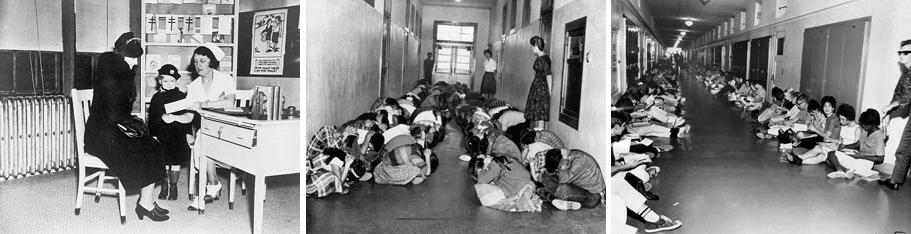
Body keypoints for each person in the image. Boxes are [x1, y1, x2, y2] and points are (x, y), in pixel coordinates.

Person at [83, 32, 169, 221]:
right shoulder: (114, 74)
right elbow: (113, 112)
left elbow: (118, 111)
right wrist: (133, 123)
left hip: (108, 130)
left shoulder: (115, 71)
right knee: (148, 147)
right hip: (101, 135)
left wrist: (132, 122)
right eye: (132, 58)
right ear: (121, 56)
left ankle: (146, 201)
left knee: (152, 145)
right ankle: (145, 203)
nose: (135, 62)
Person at [185, 43, 237, 209]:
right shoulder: (193, 87)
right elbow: (190, 113)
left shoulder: (225, 79)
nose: (198, 65)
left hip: (228, 127)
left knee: (204, 140)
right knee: (203, 138)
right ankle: (212, 184)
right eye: (195, 61)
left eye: (202, 61)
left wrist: (204, 104)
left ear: (212, 62)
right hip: (208, 128)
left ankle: (211, 186)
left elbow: (229, 102)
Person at [148, 64, 194, 201]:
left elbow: (187, 118)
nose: (169, 84)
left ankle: (173, 187)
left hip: (177, 134)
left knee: (175, 161)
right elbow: (152, 118)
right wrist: (153, 134)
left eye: (172, 81)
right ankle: (164, 186)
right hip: (162, 134)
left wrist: (188, 133)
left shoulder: (181, 96)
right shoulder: (156, 97)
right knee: (162, 161)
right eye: (166, 81)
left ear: (176, 81)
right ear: (160, 81)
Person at [879, 39, 911, 190]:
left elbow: (908, 96)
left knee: (904, 148)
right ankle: (894, 181)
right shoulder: (906, 73)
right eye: (900, 52)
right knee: (904, 149)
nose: (901, 55)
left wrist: (891, 106)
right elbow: (898, 93)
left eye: (906, 52)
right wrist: (888, 114)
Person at [825, 109, 885, 180]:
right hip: (857, 158)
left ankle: (845, 170)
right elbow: (858, 144)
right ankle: (842, 171)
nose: (862, 126)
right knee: (831, 154)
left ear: (871, 124)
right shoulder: (865, 130)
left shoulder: (879, 135)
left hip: (866, 163)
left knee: (832, 161)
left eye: (864, 124)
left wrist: (860, 156)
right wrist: (844, 146)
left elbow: (880, 158)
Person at [537, 149, 605, 210]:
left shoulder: (578, 162)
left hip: (593, 197)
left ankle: (550, 197)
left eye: (559, 167)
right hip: (579, 187)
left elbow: (563, 180)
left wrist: (562, 166)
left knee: (562, 189)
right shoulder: (567, 156)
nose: (558, 169)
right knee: (546, 176)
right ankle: (555, 197)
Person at [474, 153, 542, 212]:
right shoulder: (505, 157)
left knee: (479, 188)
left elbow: (481, 180)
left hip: (519, 188)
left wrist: (485, 166)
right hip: (528, 183)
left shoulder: (495, 164)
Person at [525, 36, 552, 130]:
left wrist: (550, 92)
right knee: (537, 113)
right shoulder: (539, 57)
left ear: (536, 46)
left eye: (533, 46)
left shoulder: (544, 58)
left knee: (540, 114)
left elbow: (548, 75)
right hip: (537, 86)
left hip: (541, 88)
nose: (532, 48)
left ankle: (540, 135)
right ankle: (537, 134)